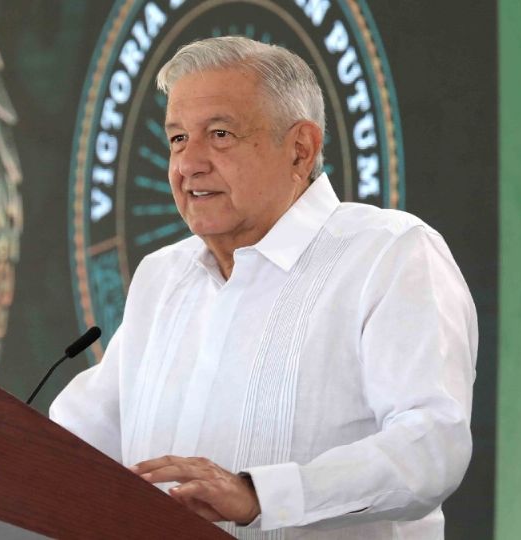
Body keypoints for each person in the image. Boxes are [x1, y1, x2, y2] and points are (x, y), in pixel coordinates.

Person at [50, 36, 477, 539]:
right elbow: (71, 443)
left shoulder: (389, 254)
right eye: (178, 139)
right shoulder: (162, 278)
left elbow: (430, 448)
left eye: (221, 134)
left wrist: (260, 495)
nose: (188, 164)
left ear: (300, 149)